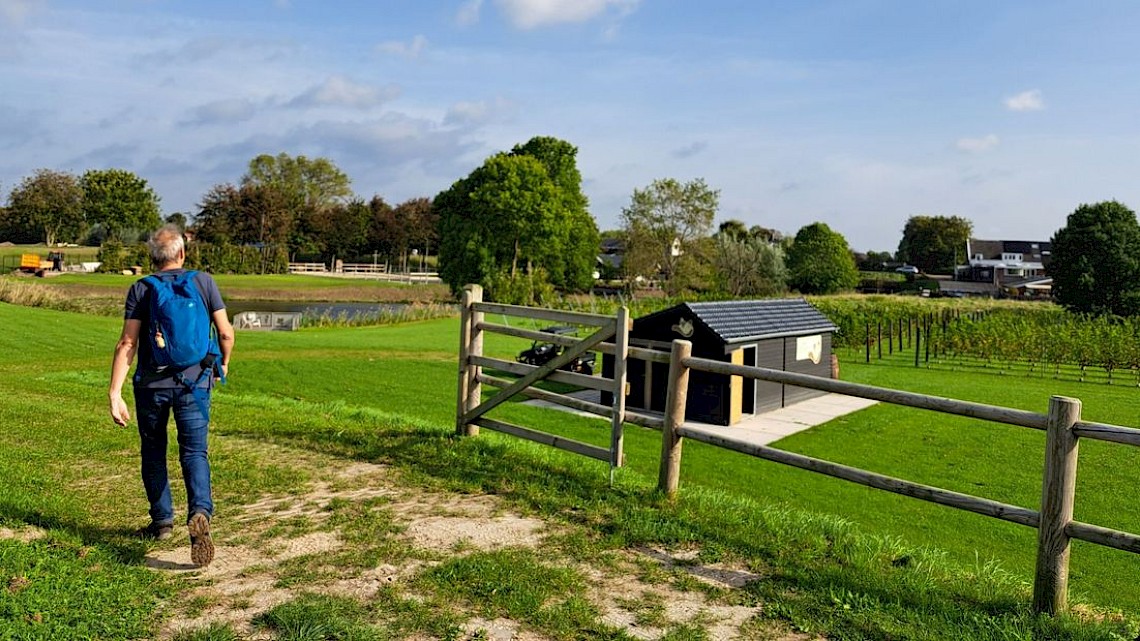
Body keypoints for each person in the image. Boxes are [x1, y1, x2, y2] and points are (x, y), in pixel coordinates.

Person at [108, 225, 234, 567]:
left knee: (153, 450)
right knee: (194, 450)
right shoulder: (203, 282)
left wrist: (114, 392)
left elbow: (127, 343)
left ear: (152, 257)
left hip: (151, 386)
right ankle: (200, 512)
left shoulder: (141, 289)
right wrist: (222, 363)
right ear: (182, 254)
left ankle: (162, 522)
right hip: (195, 385)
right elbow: (225, 331)